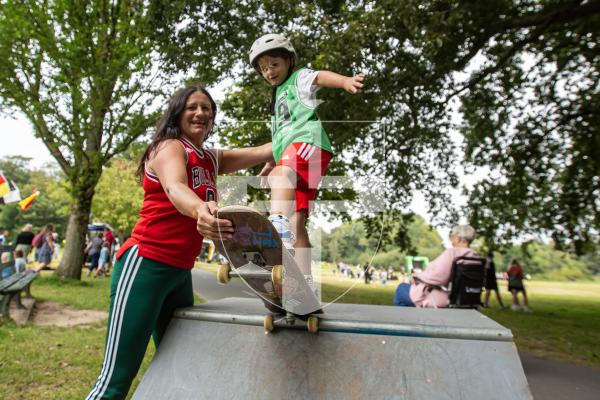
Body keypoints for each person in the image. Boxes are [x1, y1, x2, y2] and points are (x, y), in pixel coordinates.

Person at [86, 83, 274, 400]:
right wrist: (200, 208)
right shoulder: (169, 147)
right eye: (193, 107)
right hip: (145, 265)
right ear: (178, 112)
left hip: (178, 273)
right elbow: (175, 188)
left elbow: (263, 151)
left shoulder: (211, 158)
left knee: (179, 368)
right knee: (116, 381)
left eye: (207, 109)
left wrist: (298, 127)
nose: (201, 113)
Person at [248, 33, 365, 289]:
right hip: (299, 156)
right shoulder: (276, 98)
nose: (269, 72)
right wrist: (271, 162)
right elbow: (280, 137)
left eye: (274, 65)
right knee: (297, 220)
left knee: (282, 180)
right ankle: (305, 281)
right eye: (264, 69)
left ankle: (276, 229)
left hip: (307, 145)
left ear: (289, 61)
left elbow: (320, 77)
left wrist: (345, 81)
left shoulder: (298, 79)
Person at [393, 225, 479, 308]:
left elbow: (439, 277)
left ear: (458, 238)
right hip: (467, 298)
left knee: (401, 289)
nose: (451, 239)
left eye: (452, 236)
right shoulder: (476, 257)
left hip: (442, 298)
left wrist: (418, 275)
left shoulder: (452, 253)